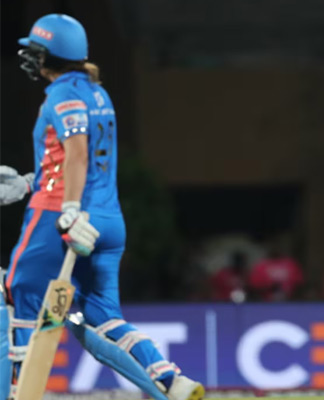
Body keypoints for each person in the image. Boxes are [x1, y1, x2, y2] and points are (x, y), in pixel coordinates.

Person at [5, 14, 203, 399]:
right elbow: (82, 160)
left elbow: (77, 153)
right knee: (100, 314)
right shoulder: (98, 93)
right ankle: (168, 378)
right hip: (109, 219)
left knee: (17, 290)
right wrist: (29, 182)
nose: (29, 58)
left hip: (60, 216)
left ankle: (16, 391)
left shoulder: (62, 94)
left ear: (49, 55)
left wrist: (70, 208)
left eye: (35, 51)